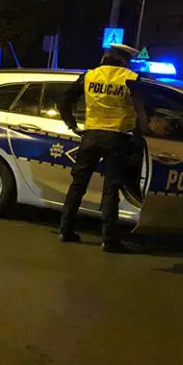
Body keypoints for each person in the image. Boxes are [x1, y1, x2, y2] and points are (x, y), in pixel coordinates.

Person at [57, 43, 148, 253]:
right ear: (124, 60)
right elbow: (141, 109)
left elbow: (63, 102)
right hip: (117, 138)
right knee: (111, 189)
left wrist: (73, 125)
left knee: (78, 184)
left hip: (90, 135)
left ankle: (65, 230)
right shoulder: (131, 78)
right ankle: (109, 240)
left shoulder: (89, 76)